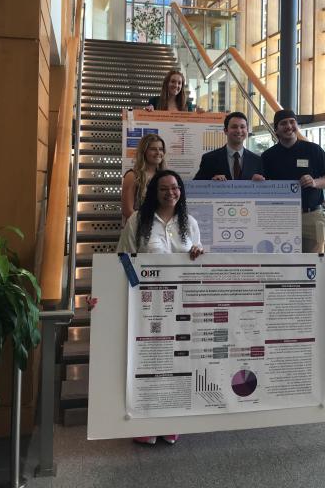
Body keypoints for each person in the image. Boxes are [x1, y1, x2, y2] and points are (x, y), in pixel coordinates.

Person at [118, 169, 203, 445]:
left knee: (178, 363)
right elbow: (123, 258)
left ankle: (171, 422)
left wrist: (198, 254)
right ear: (155, 191)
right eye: (164, 188)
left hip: (181, 305)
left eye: (175, 188)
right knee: (148, 363)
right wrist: (134, 292)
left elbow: (198, 258)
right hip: (147, 306)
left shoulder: (188, 223)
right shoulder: (138, 220)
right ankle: (144, 424)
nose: (171, 193)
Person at [261, 109, 325, 253]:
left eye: (292, 122)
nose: (289, 126)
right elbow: (261, 184)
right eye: (283, 123)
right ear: (276, 129)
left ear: (297, 125)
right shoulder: (268, 156)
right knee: (282, 266)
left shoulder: (314, 150)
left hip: (310, 217)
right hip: (279, 218)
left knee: (313, 266)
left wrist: (315, 182)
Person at [194, 111, 263, 181]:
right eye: (234, 127)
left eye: (242, 127)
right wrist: (211, 182)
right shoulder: (209, 159)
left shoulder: (256, 161)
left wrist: (260, 183)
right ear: (225, 131)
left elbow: (266, 188)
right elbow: (196, 186)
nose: (239, 130)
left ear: (247, 130)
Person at [121, 133, 166, 224]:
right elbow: (127, 211)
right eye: (153, 149)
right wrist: (149, 226)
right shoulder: (132, 176)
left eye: (161, 149)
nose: (158, 153)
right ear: (144, 152)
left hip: (161, 231)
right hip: (138, 229)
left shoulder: (164, 177)